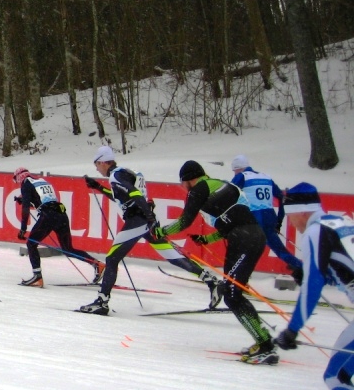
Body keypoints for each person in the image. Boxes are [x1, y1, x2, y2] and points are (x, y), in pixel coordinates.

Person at [154, 160, 277, 364]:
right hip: (249, 236)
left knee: (231, 293)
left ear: (188, 179)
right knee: (233, 292)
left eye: (182, 183)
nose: (183, 188)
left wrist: (161, 232)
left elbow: (185, 221)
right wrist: (207, 239)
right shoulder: (218, 184)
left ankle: (266, 345)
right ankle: (262, 339)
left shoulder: (199, 188)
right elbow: (233, 221)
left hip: (243, 239)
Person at [81, 146, 219, 315]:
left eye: (96, 164)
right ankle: (211, 281)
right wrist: (97, 187)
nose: (96, 168)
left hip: (138, 220)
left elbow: (134, 195)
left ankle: (102, 302)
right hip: (145, 219)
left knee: (112, 258)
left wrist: (148, 216)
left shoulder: (116, 175)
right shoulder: (124, 172)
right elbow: (124, 196)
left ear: (103, 162)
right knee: (173, 256)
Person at [272, 183, 354, 390]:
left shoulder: (314, 232)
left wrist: (293, 329)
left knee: (336, 376)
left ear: (302, 211)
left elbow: (313, 287)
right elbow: (344, 270)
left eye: (289, 213)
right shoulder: (341, 221)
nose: (290, 221)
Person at [14, 167, 104, 288]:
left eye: (16, 179)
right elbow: (43, 200)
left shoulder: (26, 183)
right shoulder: (41, 180)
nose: (17, 182)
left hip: (48, 216)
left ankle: (37, 277)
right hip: (61, 214)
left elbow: (25, 208)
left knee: (31, 244)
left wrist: (23, 228)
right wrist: (26, 201)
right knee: (68, 249)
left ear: (20, 176)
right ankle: (97, 264)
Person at [229, 154, 301, 277]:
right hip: (269, 218)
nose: (234, 174)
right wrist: (279, 221)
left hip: (254, 220)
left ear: (238, 169)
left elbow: (228, 194)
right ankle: (302, 267)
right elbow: (282, 198)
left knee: (243, 250)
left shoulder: (242, 176)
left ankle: (238, 281)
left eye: (234, 171)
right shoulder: (265, 176)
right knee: (279, 250)